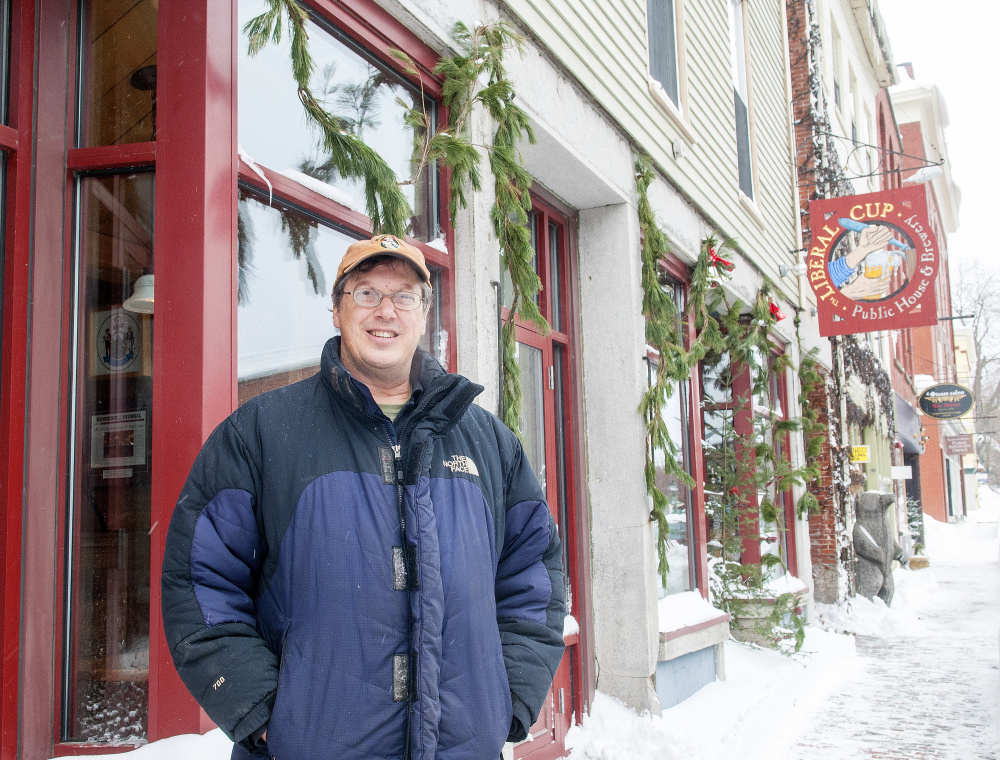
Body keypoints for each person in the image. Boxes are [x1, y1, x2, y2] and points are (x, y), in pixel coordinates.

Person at [161, 234, 566, 760]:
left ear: (423, 315)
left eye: (404, 296)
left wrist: (509, 696)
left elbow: (532, 576)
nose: (386, 311)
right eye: (366, 293)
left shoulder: (488, 442)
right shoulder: (262, 433)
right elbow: (201, 581)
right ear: (336, 310)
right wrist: (267, 715)